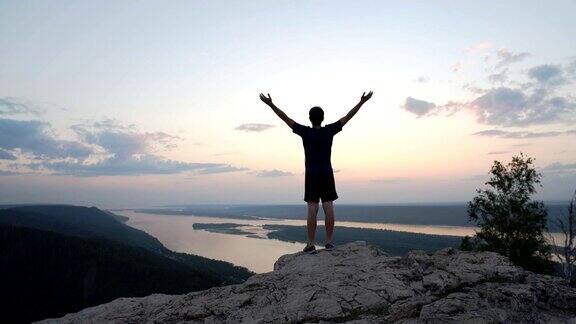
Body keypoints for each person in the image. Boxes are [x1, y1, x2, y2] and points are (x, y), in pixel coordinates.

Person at [259, 91, 373, 252]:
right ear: (323, 118)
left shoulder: (305, 132)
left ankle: (311, 243)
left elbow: (285, 118)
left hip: (311, 174)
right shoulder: (329, 131)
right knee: (329, 206)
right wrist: (361, 102)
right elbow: (348, 117)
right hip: (327, 172)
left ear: (310, 118)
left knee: (312, 207)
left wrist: (270, 104)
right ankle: (328, 242)